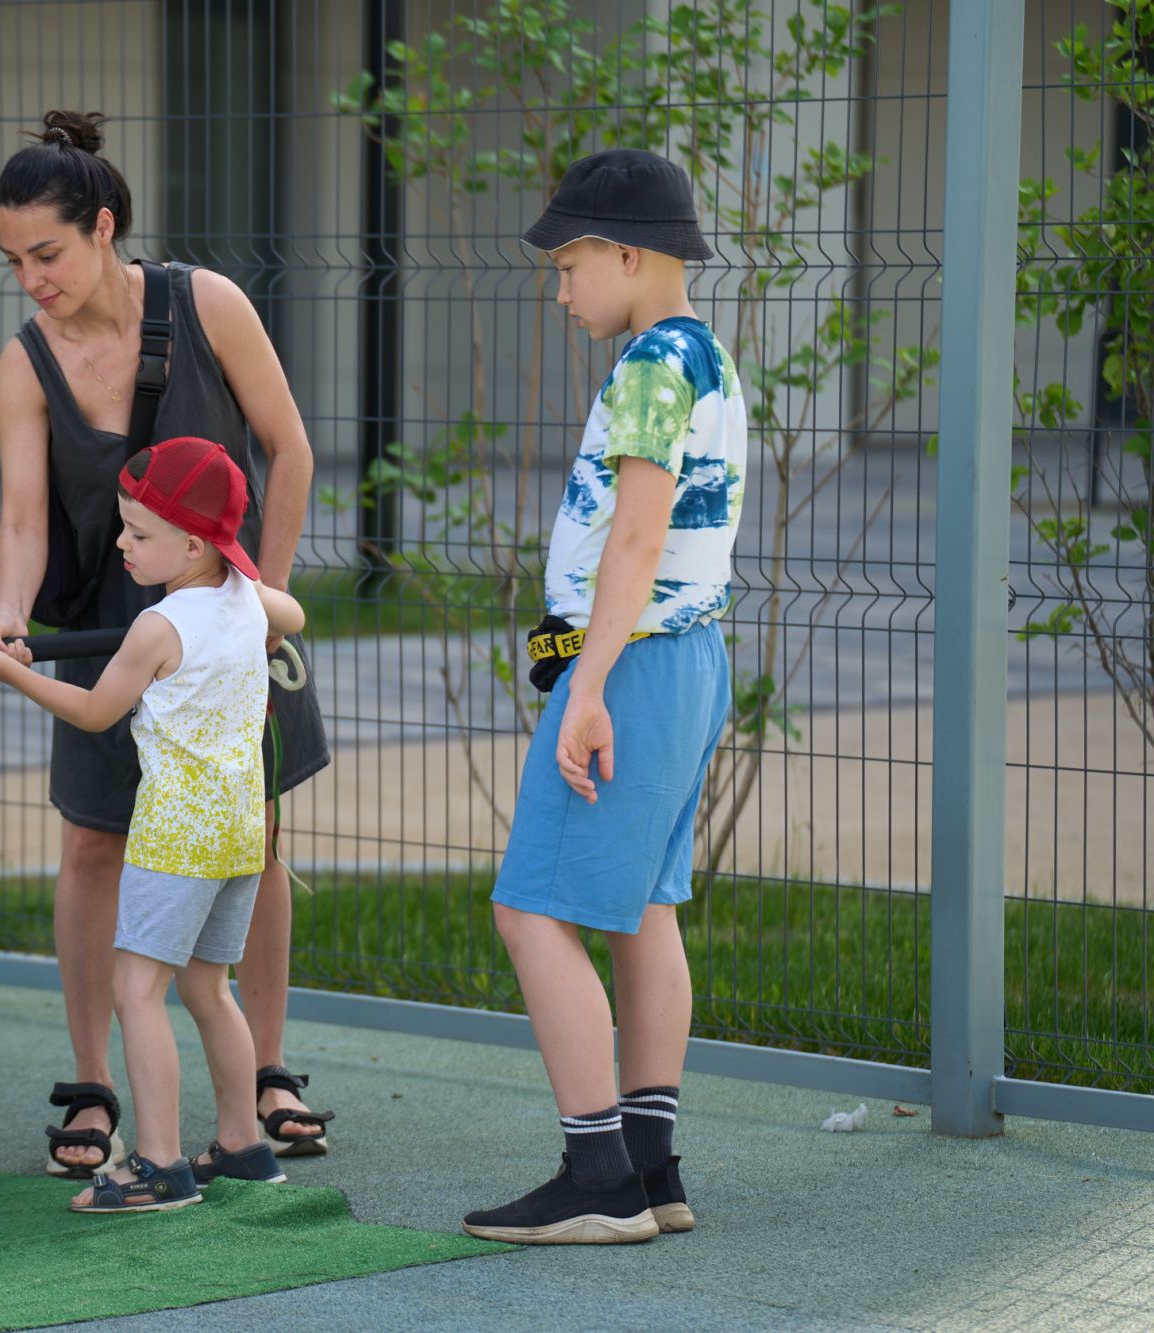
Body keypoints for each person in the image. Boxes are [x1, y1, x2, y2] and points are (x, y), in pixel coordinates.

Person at [0, 109, 333, 1178]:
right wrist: (8, 615)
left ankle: (263, 1071)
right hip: (102, 630)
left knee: (254, 837)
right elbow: (26, 523)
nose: (29, 278)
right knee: (93, 842)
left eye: (45, 253)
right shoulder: (25, 363)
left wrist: (251, 605)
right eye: (11, 260)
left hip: (229, 626)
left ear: (101, 228)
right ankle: (93, 1085)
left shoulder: (205, 305)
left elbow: (290, 451)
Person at [461, 149, 745, 1245]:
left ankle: (596, 1175)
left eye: (568, 261)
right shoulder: (701, 354)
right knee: (644, 913)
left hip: (627, 665)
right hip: (686, 663)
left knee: (528, 906)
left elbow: (635, 536)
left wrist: (585, 689)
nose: (560, 283)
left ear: (628, 255)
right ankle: (649, 1164)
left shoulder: (646, 367)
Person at [0, 436, 306, 1212]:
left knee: (137, 989)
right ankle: (244, 1144)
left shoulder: (159, 626)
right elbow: (294, 609)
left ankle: (159, 1162)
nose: (120, 543)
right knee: (210, 987)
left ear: (192, 542)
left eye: (138, 533)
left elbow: (93, 710)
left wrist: (9, 669)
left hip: (177, 835)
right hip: (243, 835)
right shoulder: (247, 601)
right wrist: (259, 609)